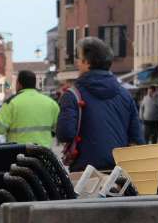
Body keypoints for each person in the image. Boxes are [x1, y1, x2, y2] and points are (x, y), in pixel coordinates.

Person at [55, 37, 143, 171]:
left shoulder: (72, 95)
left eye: (79, 58)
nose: (77, 63)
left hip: (84, 172)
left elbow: (65, 133)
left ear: (87, 62)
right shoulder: (125, 95)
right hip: (118, 172)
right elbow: (137, 138)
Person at [0, 70, 60, 148]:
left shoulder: (11, 103)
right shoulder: (51, 103)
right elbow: (58, 129)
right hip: (44, 153)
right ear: (34, 84)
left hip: (19, 153)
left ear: (19, 84)